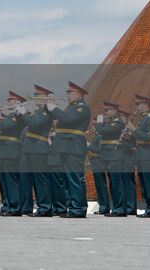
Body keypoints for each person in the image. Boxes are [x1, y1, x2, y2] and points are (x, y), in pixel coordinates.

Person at [48, 81, 91, 218]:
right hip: (65, 146)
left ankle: (78, 208)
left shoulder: (82, 108)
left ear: (78, 94)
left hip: (73, 146)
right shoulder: (70, 107)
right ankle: (72, 207)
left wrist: (54, 108)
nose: (67, 95)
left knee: (74, 179)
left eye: (70, 92)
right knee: (67, 180)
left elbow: (67, 120)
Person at [20, 84, 55, 217]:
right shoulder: (39, 110)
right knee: (35, 179)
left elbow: (33, 124)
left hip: (38, 147)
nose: (35, 98)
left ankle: (45, 207)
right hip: (31, 147)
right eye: (35, 96)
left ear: (45, 97)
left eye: (37, 96)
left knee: (41, 179)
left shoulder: (46, 111)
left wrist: (24, 113)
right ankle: (41, 206)